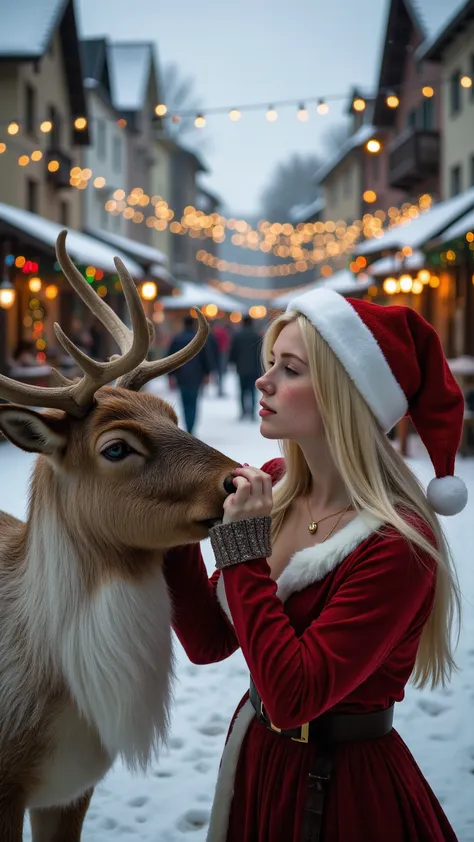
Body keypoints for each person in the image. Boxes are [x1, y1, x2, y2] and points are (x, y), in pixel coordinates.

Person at [163, 288, 467, 842]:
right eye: (271, 362)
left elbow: (292, 695)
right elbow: (209, 640)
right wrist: (166, 523)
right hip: (257, 762)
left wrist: (242, 548)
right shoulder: (275, 487)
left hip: (341, 789)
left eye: (291, 368)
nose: (264, 380)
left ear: (343, 394)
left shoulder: (398, 544)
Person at [167, 315, 211, 434]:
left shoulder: (177, 339)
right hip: (196, 376)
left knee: (185, 403)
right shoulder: (199, 339)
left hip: (181, 377)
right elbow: (206, 358)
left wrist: (170, 376)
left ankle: (187, 427)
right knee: (194, 403)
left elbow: (170, 358)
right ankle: (191, 428)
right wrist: (207, 373)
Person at [228, 315, 262, 419]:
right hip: (254, 368)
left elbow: (233, 351)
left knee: (242, 391)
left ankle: (243, 411)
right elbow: (260, 353)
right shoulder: (256, 336)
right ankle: (252, 412)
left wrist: (232, 362)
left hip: (241, 367)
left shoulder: (238, 336)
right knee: (252, 391)